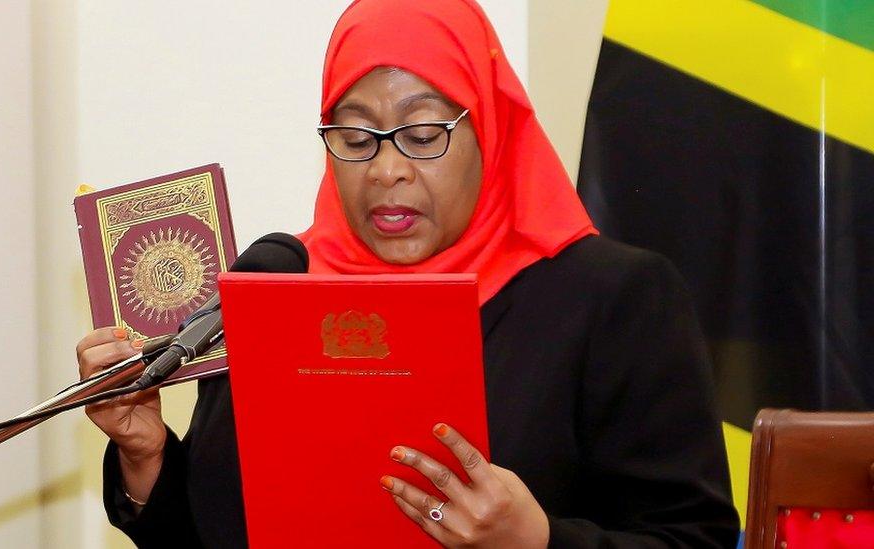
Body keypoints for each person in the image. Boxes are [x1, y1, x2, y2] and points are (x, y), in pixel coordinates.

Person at [77, 0, 741, 547]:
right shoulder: (277, 286)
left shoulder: (612, 299)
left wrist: (537, 539)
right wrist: (146, 450)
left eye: (423, 135)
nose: (386, 170)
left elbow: (696, 538)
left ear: (488, 127)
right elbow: (214, 533)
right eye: (356, 137)